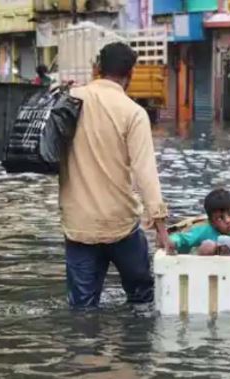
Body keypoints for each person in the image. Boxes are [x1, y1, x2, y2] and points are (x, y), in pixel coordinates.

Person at [61, 42, 170, 308]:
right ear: (130, 74)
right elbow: (146, 174)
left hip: (79, 226)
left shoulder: (69, 100)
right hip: (121, 224)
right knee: (143, 300)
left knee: (82, 309)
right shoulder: (133, 113)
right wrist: (161, 227)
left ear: (97, 68)